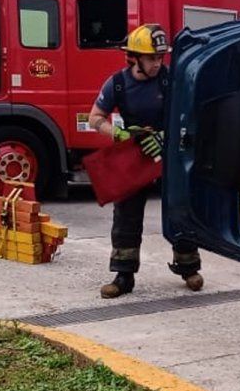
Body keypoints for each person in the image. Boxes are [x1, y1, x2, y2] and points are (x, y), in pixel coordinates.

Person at [87, 24, 203, 299]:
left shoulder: (170, 80)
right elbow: (95, 118)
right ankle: (123, 275)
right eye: (152, 58)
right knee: (126, 213)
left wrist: (166, 135)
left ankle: (188, 267)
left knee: (180, 208)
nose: (157, 63)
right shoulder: (116, 83)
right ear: (134, 58)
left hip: (169, 154)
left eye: (160, 57)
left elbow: (189, 114)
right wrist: (118, 133)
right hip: (136, 154)